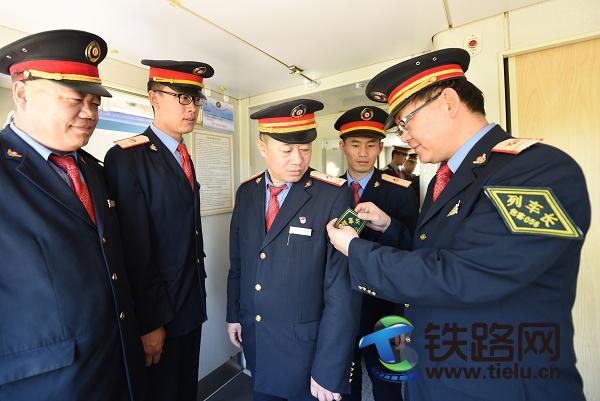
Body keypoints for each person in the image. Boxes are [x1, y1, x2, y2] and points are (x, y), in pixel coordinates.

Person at [326, 48, 590, 401]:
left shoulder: (533, 171)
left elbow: (465, 274)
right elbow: (435, 251)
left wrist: (354, 248)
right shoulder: (451, 176)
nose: (404, 137)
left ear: (448, 102)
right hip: (438, 374)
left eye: (406, 122)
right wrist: (389, 226)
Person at [0, 29, 144, 401]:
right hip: (44, 384)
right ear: (22, 93)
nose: (89, 114)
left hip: (117, 367)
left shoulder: (92, 170)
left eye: (95, 102)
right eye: (75, 99)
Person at [227, 99, 361, 401]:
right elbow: (239, 262)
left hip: (307, 353)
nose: (298, 160)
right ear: (262, 147)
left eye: (305, 148)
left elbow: (343, 290)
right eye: (286, 150)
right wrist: (234, 314)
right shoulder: (247, 192)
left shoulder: (334, 195)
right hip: (258, 341)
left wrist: (329, 367)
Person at [104, 59, 212, 401]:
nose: (192, 108)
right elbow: (134, 249)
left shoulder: (183, 155)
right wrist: (150, 323)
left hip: (190, 303)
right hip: (159, 314)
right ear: (154, 97)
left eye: (196, 99)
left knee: (186, 389)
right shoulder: (127, 157)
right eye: (182, 98)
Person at [335, 106, 419, 401]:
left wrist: (389, 225)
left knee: (389, 385)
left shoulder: (401, 191)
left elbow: (413, 247)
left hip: (387, 306)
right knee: (345, 384)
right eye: (355, 144)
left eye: (371, 145)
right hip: (341, 304)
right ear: (342, 146)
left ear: (380, 147)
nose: (363, 153)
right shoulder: (328, 190)